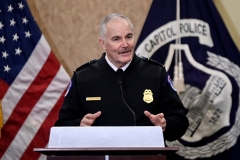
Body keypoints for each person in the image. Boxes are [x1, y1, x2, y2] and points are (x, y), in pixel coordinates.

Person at [55, 13, 189, 141]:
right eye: (116, 39)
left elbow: (181, 121)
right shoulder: (83, 77)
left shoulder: (155, 73)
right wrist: (79, 125)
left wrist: (165, 125)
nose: (125, 44)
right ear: (103, 43)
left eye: (129, 36)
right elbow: (62, 126)